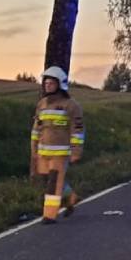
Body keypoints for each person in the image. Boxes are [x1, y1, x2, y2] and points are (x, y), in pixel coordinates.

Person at [29, 66, 84, 223]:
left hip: (60, 153)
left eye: (51, 83)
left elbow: (77, 130)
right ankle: (70, 197)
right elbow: (36, 128)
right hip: (43, 152)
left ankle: (49, 215)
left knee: (53, 182)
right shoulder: (42, 104)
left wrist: (76, 151)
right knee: (47, 180)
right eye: (46, 83)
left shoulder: (71, 106)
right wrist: (34, 149)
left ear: (60, 84)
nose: (47, 85)